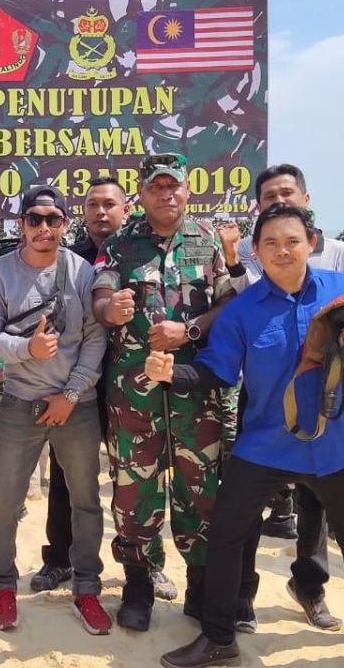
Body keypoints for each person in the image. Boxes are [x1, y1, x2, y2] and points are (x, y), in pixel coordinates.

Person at [155, 203, 344, 668]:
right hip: (265, 445)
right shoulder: (242, 312)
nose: (282, 250)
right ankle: (219, 639)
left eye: (292, 240)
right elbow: (217, 370)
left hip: (336, 443)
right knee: (229, 535)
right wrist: (175, 373)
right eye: (270, 242)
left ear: (311, 243)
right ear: (255, 251)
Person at [217, 163, 344, 631]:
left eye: (286, 194)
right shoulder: (247, 255)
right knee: (243, 516)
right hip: (265, 402)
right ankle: (238, 605)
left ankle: (311, 589)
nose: (282, 249)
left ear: (307, 204)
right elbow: (240, 313)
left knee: (323, 512)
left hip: (333, 411)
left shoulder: (343, 262)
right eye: (268, 198)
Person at [92, 152, 235, 631]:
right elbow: (101, 293)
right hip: (135, 391)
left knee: (202, 488)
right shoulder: (121, 243)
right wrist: (110, 309)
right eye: (157, 187)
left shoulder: (207, 241)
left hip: (196, 390)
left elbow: (229, 307)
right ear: (143, 192)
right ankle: (138, 582)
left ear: (187, 188)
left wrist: (189, 331)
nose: (166, 194)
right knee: (135, 488)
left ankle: (198, 584)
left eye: (173, 186)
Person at [0, 185, 112, 635]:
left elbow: (96, 340)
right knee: (3, 503)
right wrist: (27, 348)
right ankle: (2, 586)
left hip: (76, 406)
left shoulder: (81, 272)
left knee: (87, 503)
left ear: (64, 225)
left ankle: (87, 588)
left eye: (52, 219)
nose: (43, 227)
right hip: (19, 404)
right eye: (34, 219)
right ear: (21, 224)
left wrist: (71, 395)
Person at [34, 177, 171, 595]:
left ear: (125, 209)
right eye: (92, 205)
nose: (100, 212)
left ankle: (148, 563)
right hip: (80, 387)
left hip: (133, 388)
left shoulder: (139, 256)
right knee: (65, 475)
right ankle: (59, 559)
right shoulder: (69, 262)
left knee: (140, 478)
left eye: (109, 204)